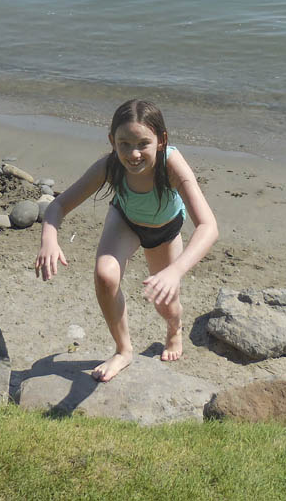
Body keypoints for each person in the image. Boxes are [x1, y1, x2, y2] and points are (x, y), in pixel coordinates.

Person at [35, 99, 219, 382]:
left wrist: (175, 271)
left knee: (166, 304)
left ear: (161, 140)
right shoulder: (110, 166)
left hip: (166, 230)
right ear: (112, 141)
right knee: (105, 276)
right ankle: (124, 351)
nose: (133, 154)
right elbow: (59, 206)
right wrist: (49, 237)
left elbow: (208, 226)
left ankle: (174, 330)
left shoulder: (172, 164)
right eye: (124, 144)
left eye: (143, 143)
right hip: (126, 221)